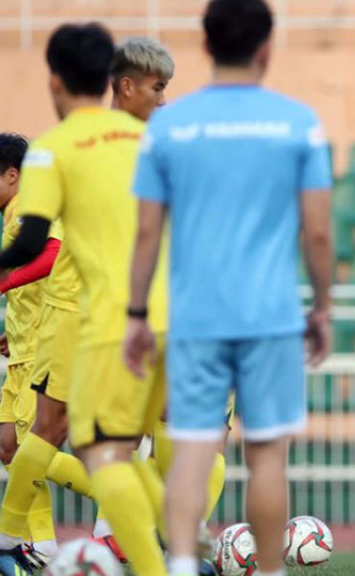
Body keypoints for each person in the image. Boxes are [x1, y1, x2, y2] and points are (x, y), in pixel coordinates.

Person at [124, 2, 333, 576]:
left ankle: (183, 564)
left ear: (206, 47)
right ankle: (269, 572)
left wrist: (137, 313)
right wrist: (319, 307)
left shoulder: (169, 125)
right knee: (265, 456)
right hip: (269, 316)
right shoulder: (297, 122)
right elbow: (317, 230)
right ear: (266, 48)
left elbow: (146, 231)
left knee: (192, 447)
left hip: (194, 316)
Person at [0, 37, 177, 570]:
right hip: (154, 311)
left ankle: (11, 537)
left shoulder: (58, 147)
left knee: (51, 429)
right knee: (121, 444)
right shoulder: (158, 146)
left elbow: (36, 244)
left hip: (80, 310)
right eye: (159, 88)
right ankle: (164, 547)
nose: (164, 100)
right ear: (117, 82)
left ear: (56, 81)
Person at [0, 133, 64, 575]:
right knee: (8, 445)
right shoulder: (12, 213)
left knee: (28, 446)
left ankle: (122, 498)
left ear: (11, 175)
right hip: (20, 350)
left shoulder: (27, 206)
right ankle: (40, 543)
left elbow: (54, 254)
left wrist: (2, 282)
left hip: (42, 351)